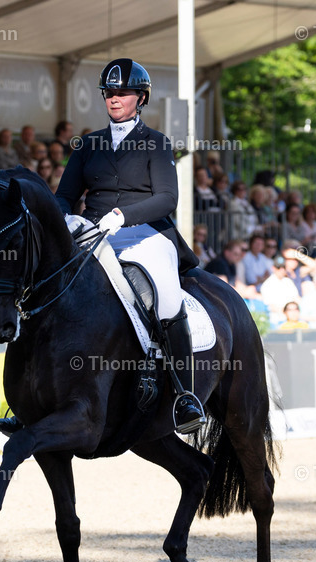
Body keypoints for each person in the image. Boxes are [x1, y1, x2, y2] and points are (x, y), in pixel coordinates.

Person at [43, 58, 204, 434]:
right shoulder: (88, 145)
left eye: (123, 93)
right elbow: (65, 195)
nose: (114, 99)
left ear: (140, 98)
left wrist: (124, 215)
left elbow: (167, 198)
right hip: (94, 233)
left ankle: (185, 395)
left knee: (166, 299)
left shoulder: (157, 143)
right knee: (50, 287)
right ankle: (30, 397)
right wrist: (65, 216)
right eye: (109, 93)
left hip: (145, 233)